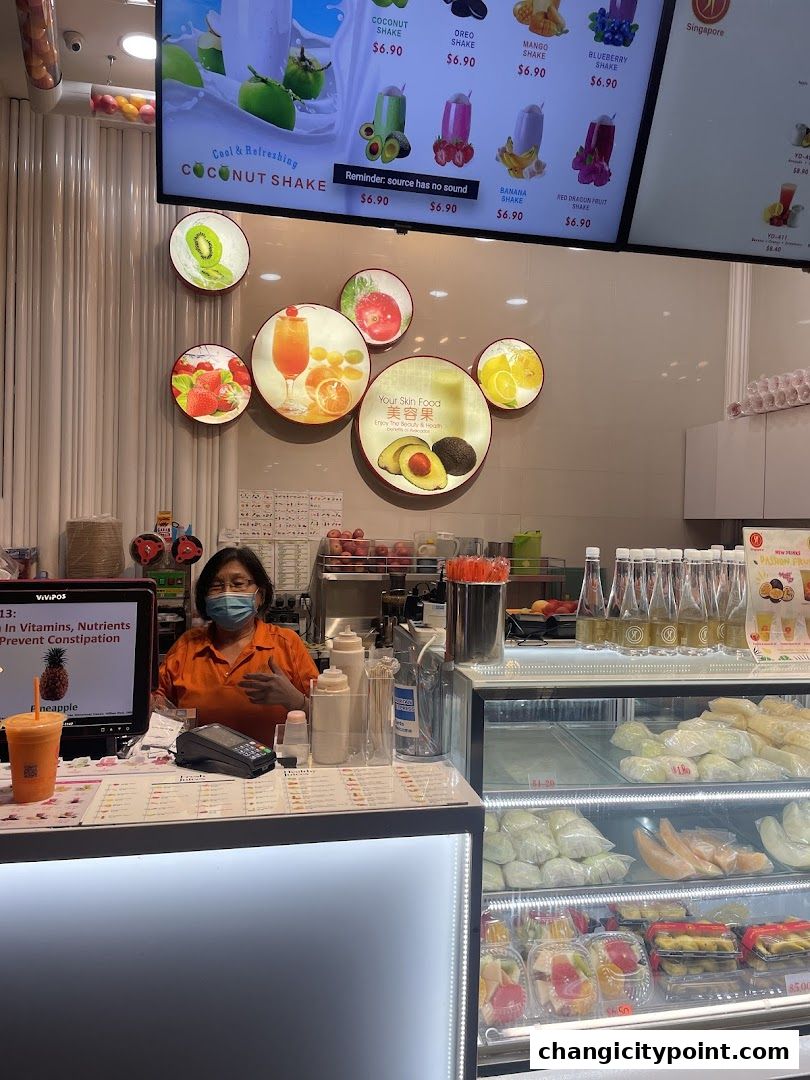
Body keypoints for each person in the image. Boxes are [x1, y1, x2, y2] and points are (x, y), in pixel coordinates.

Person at [155, 546, 319, 745]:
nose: (227, 593)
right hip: (200, 768)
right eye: (216, 586)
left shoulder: (287, 644)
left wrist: (295, 701)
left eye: (238, 583)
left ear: (261, 595)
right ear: (205, 598)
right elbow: (156, 707)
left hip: (273, 770)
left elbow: (328, 719)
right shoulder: (187, 646)